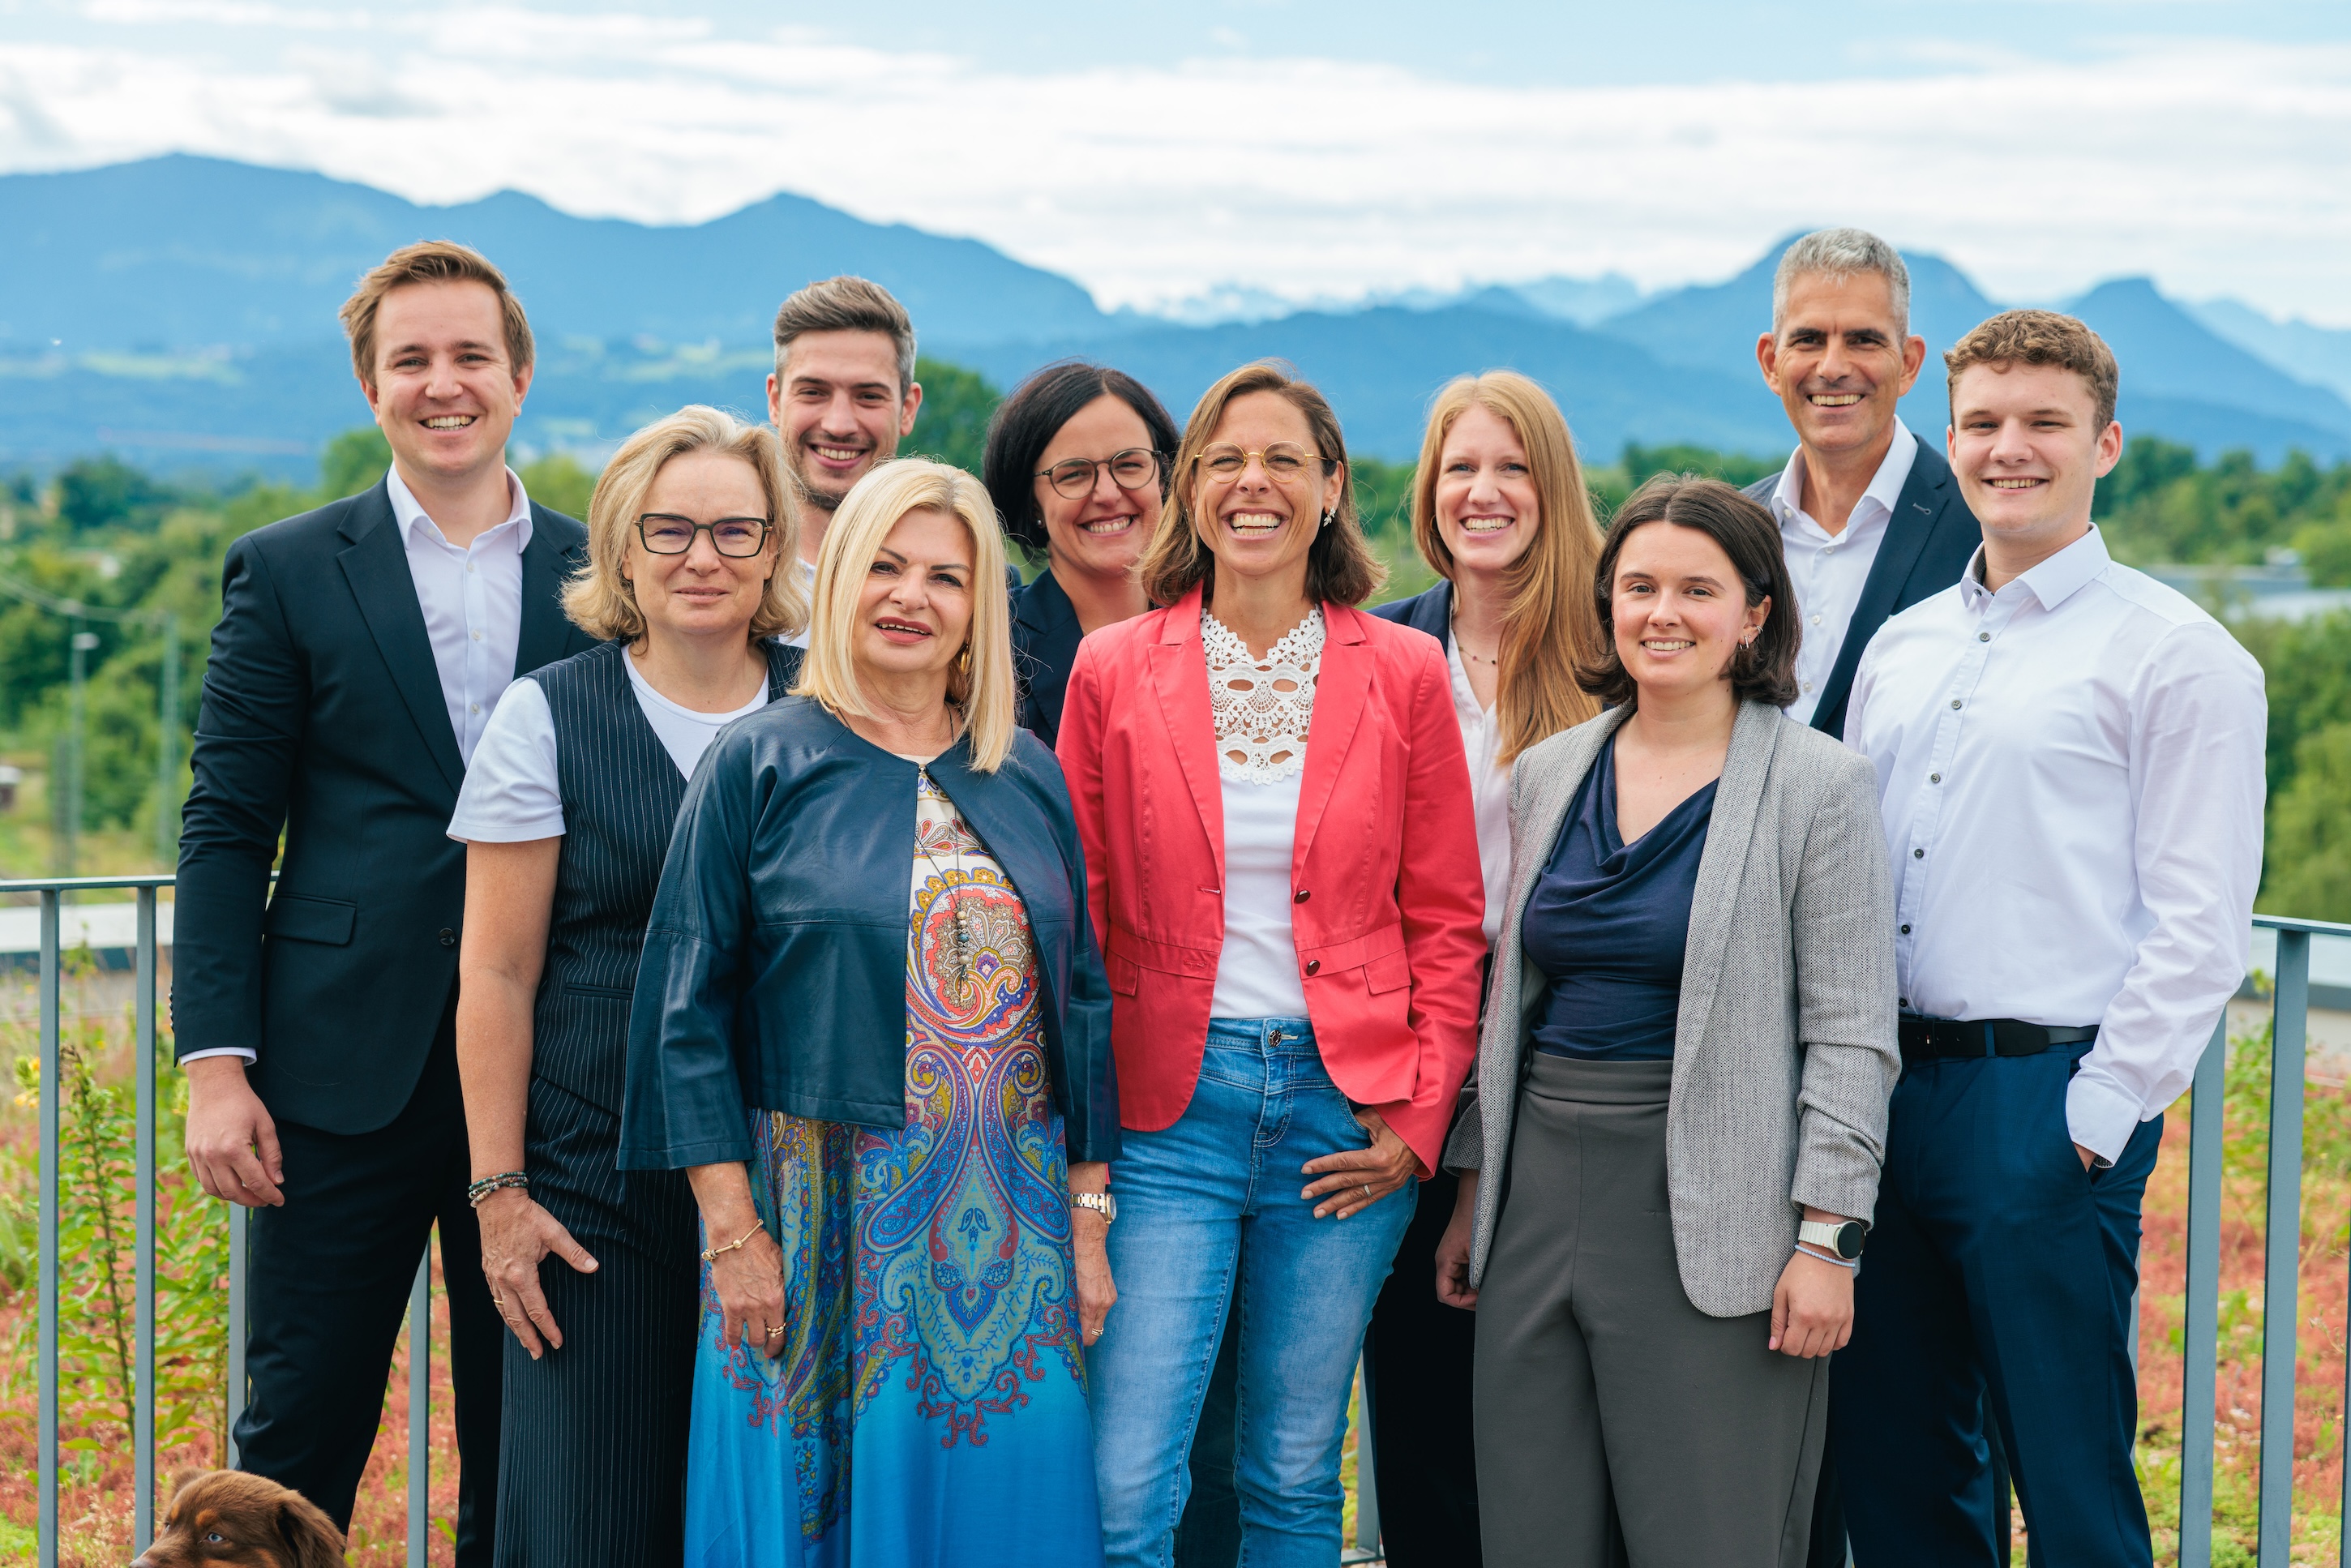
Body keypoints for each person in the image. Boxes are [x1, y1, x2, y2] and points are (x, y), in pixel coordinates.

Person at [173, 241, 601, 1561]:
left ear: (519, 376)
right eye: (410, 359)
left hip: (545, 1076)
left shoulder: (607, 575)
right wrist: (214, 1062)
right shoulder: (290, 567)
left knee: (528, 1435)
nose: (443, 383)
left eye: (470, 354)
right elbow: (229, 823)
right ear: (373, 388)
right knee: (294, 1433)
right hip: (330, 1079)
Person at [619, 458, 1121, 1566]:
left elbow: (1081, 999)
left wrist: (1089, 1218)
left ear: (977, 607)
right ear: (842, 578)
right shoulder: (760, 760)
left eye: (945, 576)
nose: (912, 595)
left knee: (1009, 1505)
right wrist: (734, 1232)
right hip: (819, 1213)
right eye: (886, 565)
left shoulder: (1026, 771)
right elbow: (682, 1009)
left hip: (1016, 1224)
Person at [1835, 311, 2266, 1567]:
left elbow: (2200, 924)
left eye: (2043, 424)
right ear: (1950, 436)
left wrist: (2096, 1114)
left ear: (2105, 443)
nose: (2007, 448)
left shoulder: (2180, 657)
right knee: (1902, 1472)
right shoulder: (1902, 648)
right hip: (1885, 1096)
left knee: (2071, 1487)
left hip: (2046, 1102)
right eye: (1981, 422)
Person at [1059, 362, 1488, 1568]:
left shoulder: (1402, 672)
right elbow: (1075, 920)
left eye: (1285, 458)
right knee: (1129, 1477)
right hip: (1165, 1115)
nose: (1256, 482)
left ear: (1332, 487)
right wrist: (1086, 1131)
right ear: (1189, 488)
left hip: (1342, 1116)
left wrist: (1418, 1114)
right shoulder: (1112, 667)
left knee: (1294, 1473)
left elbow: (1447, 919)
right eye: (1227, 459)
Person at [1436, 474, 1899, 1566]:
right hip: (1537, 1193)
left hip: (1718, 1209)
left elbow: (1852, 1029)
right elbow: (1512, 996)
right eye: (1638, 585)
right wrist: (1473, 1185)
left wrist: (1828, 1240)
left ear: (1758, 613)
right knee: (1532, 1531)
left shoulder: (1819, 785)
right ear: (1606, 602)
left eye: (1699, 588)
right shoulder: (1550, 771)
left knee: (1710, 1537)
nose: (1663, 612)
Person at [448, 407, 807, 1565]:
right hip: (593, 1185)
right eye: (670, 529)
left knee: (772, 1519)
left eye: (735, 531)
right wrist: (501, 1192)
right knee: (589, 1520)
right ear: (621, 549)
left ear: (775, 552)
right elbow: (498, 973)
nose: (702, 557)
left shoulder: (832, 707)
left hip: (798, 1179)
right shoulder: (546, 714)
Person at [1364, 369, 1606, 1568]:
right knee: (1414, 1391)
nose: (1484, 490)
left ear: (1553, 489)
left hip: (1562, 1064)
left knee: (1546, 1419)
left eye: (1512, 466)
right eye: (1461, 466)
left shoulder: (1612, 658)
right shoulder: (1376, 648)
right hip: (1402, 1065)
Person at [1744, 227, 1981, 738]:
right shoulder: (1732, 532)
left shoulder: (1979, 527)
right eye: (1808, 340)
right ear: (1771, 362)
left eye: (1863, 340)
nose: (1832, 368)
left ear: (1909, 364)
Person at [982, 360, 1179, 748]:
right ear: (1033, 503)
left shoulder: (1219, 631)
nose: (1107, 494)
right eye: (1073, 474)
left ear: (1164, 476)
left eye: (1130, 464)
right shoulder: (991, 649)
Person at [764, 275, 923, 645]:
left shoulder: (968, 589)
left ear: (907, 408)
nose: (838, 425)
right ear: (775, 400)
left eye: (867, 396)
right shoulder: (712, 566)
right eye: (813, 392)